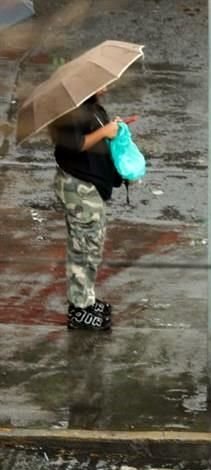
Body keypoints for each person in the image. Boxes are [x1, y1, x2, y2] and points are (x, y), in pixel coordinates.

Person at [49, 90, 127, 330]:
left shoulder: (92, 107)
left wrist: (112, 127)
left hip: (91, 188)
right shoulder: (70, 112)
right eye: (104, 84)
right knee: (84, 248)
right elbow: (75, 145)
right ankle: (79, 309)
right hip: (80, 188)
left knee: (91, 245)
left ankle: (85, 299)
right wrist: (104, 131)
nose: (107, 86)